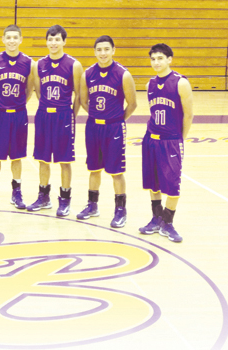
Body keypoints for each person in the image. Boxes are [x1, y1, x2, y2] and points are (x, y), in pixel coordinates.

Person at [78, 35, 137, 228]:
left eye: (106, 49)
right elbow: (84, 101)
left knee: (116, 171)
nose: (103, 53)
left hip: (114, 127)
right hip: (94, 126)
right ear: (94, 52)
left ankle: (120, 211)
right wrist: (97, 116)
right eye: (99, 50)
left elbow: (132, 103)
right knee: (94, 168)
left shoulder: (123, 74)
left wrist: (117, 119)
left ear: (113, 50)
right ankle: (92, 205)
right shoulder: (88, 74)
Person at [139, 43, 193, 243]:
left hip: (171, 141)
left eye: (160, 58)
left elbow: (189, 115)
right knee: (153, 182)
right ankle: (156, 218)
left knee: (172, 184)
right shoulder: (149, 84)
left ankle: (168, 222)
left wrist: (181, 138)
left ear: (169, 59)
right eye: (153, 59)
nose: (156, 62)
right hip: (151, 139)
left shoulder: (180, 83)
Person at [26, 25, 83, 216]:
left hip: (63, 116)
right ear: (46, 41)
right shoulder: (39, 64)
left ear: (64, 42)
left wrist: (70, 115)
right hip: (43, 114)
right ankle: (43, 197)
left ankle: (65, 200)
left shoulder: (74, 64)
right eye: (50, 39)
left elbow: (79, 96)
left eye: (57, 39)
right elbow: (39, 91)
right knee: (42, 158)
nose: (53, 43)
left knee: (64, 160)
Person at [0, 24, 35, 209]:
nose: (12, 41)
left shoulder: (29, 62)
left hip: (19, 115)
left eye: (15, 37)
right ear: (3, 39)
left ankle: (16, 193)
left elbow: (29, 90)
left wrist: (18, 104)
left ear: (21, 40)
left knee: (17, 156)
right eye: (8, 37)